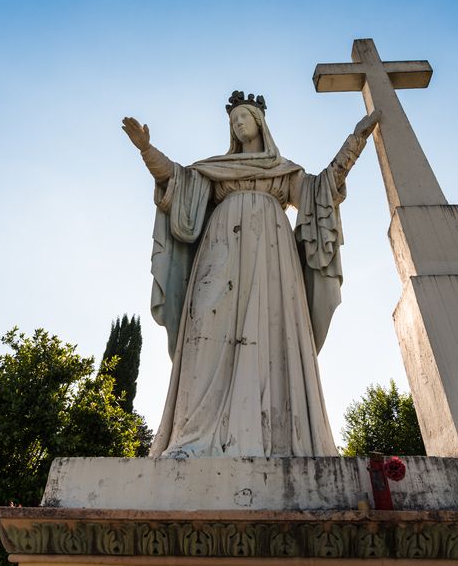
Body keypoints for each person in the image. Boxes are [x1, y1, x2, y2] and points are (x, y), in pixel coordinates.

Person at [122, 90, 379, 457]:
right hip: (221, 248)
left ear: (259, 121)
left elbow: (322, 190)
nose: (237, 123)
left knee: (272, 330)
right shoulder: (215, 170)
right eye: (232, 120)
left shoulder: (284, 170)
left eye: (243, 117)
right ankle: (193, 434)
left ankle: (277, 436)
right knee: (206, 329)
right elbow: (177, 180)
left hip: (273, 256)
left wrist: (354, 143)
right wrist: (147, 150)